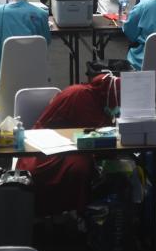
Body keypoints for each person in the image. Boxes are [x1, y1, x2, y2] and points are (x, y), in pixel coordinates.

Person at [16, 72, 120, 216]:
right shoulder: (83, 97)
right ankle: (74, 213)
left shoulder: (93, 97)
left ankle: (72, 213)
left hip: (66, 144)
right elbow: (97, 137)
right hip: (45, 147)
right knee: (80, 168)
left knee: (85, 165)